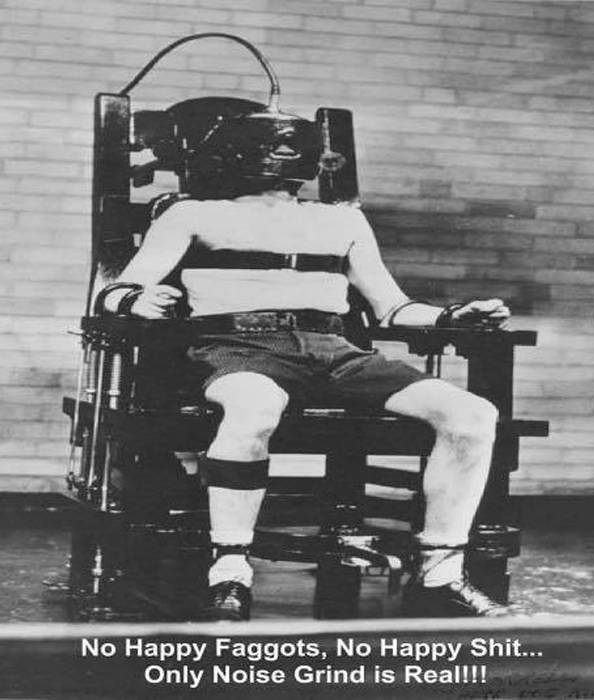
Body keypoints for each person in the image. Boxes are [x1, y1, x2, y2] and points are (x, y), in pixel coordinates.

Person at [99, 102, 510, 621]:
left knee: (472, 415)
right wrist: (137, 301)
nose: (283, 154)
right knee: (253, 409)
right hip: (237, 347)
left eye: (293, 143)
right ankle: (230, 571)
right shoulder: (190, 214)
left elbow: (393, 307)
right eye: (270, 143)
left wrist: (452, 315)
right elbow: (116, 291)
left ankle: (440, 576)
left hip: (335, 351)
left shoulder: (343, 220)